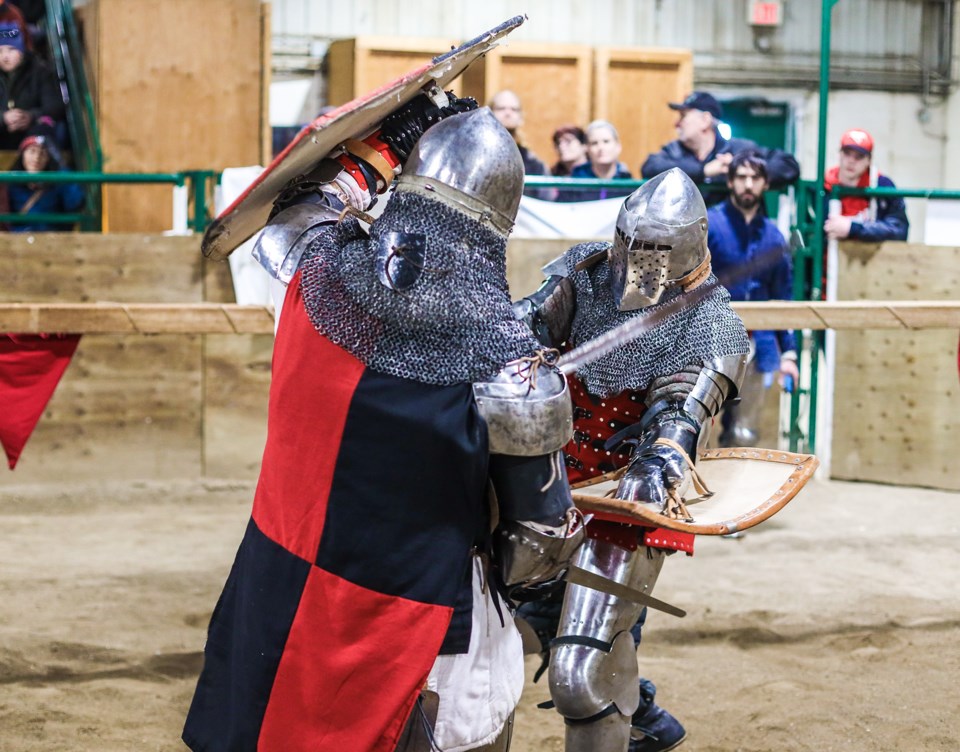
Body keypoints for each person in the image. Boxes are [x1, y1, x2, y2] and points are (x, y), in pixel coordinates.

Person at [182, 95, 585, 752]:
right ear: (499, 226)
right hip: (414, 628)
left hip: (279, 595)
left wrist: (380, 149)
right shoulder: (513, 369)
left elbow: (295, 209)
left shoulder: (317, 273)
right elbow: (538, 542)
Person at [513, 167, 749, 752]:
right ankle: (641, 708)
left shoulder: (711, 322)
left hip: (624, 500)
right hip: (549, 484)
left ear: (688, 250)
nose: (641, 264)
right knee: (500, 624)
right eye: (634, 246)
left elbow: (678, 422)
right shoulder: (586, 272)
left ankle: (623, 706)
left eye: (657, 252)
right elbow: (523, 331)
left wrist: (656, 462)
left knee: (580, 675)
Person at [708, 151, 798, 447]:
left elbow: (782, 297)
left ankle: (737, 492)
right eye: (742, 177)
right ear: (730, 182)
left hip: (759, 345)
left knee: (744, 433)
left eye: (755, 178)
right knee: (694, 425)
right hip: (709, 338)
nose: (748, 184)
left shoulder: (774, 237)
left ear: (765, 184)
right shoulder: (710, 225)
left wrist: (789, 354)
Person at [641, 91, 799, 206]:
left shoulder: (740, 149)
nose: (677, 124)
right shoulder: (674, 150)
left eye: (683, 116)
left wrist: (741, 168)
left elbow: (788, 165)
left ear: (705, 120)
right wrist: (704, 170)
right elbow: (650, 167)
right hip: (687, 239)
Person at [823, 128, 908, 242]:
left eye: (859, 156)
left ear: (869, 160)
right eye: (847, 153)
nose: (851, 161)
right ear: (840, 154)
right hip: (827, 257)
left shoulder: (882, 186)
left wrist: (853, 228)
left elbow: (899, 230)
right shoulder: (823, 187)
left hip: (868, 258)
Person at [0, 22, 64, 150]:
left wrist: (30, 117)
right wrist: (3, 118)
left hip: (31, 134)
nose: (5, 57)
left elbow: (55, 107)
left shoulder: (41, 71)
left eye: (11, 49)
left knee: (47, 127)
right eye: (0, 51)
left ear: (22, 50)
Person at [4, 131, 84, 232]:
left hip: (51, 239)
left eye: (43, 153)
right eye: (32, 151)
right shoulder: (11, 182)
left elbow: (75, 203)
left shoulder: (58, 181)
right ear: (22, 155)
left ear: (48, 159)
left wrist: (63, 171)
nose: (37, 157)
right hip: (19, 239)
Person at [489, 88, 552, 199]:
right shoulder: (476, 156)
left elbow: (545, 201)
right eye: (501, 108)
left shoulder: (534, 164)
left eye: (514, 109)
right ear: (489, 112)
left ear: (521, 117)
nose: (508, 113)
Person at [559, 119, 634, 202]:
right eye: (594, 143)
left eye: (606, 141)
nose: (601, 148)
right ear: (587, 148)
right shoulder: (573, 183)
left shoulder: (628, 183)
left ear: (618, 146)